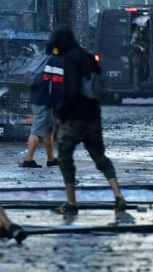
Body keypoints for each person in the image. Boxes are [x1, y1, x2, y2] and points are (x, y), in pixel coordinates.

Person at [51, 26, 127, 215]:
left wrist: (60, 115)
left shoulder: (69, 59)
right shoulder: (88, 57)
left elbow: (71, 91)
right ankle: (118, 196)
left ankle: (71, 203)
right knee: (100, 157)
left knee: (65, 158)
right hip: (93, 117)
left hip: (74, 119)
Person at [19, 46, 60, 168]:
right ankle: (28, 160)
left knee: (49, 129)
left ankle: (51, 159)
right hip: (44, 100)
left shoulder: (42, 60)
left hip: (38, 97)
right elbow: (57, 84)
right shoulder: (55, 62)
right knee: (37, 130)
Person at [130, 21, 149, 88]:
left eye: (143, 27)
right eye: (141, 27)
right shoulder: (136, 34)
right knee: (136, 70)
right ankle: (135, 85)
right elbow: (132, 43)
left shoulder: (143, 34)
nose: (142, 28)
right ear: (138, 27)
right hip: (136, 53)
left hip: (142, 54)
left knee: (143, 68)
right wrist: (140, 47)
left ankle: (141, 82)